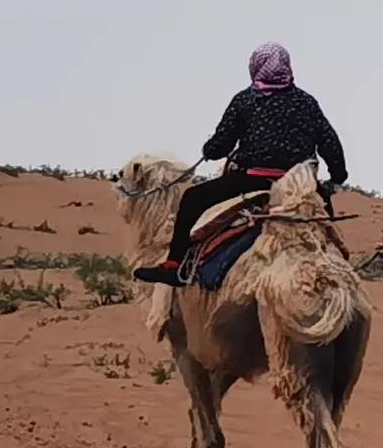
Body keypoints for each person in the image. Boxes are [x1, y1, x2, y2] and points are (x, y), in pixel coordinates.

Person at [140, 43, 348, 280]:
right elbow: (330, 142)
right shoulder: (306, 102)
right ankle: (337, 268)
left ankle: (174, 265)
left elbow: (221, 146)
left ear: (256, 68)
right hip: (299, 185)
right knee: (323, 222)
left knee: (192, 198)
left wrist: (209, 149)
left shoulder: (246, 100)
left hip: (252, 180)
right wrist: (337, 177)